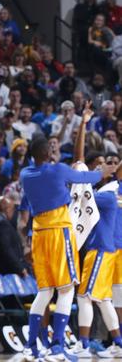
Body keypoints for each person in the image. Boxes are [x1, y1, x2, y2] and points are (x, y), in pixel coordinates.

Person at [19, 123, 116, 359]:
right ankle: (57, 346)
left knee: (44, 292)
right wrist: (104, 171)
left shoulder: (25, 174)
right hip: (59, 232)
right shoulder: (58, 170)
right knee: (66, 290)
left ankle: (31, 347)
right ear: (48, 153)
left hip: (38, 234)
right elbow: (87, 177)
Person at [69, 104, 122, 358]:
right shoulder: (97, 188)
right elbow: (79, 162)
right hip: (105, 249)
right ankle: (118, 343)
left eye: (108, 163)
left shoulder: (107, 192)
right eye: (100, 164)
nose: (105, 167)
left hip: (101, 249)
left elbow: (82, 170)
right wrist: (82, 124)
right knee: (103, 300)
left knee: (85, 296)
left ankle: (83, 343)